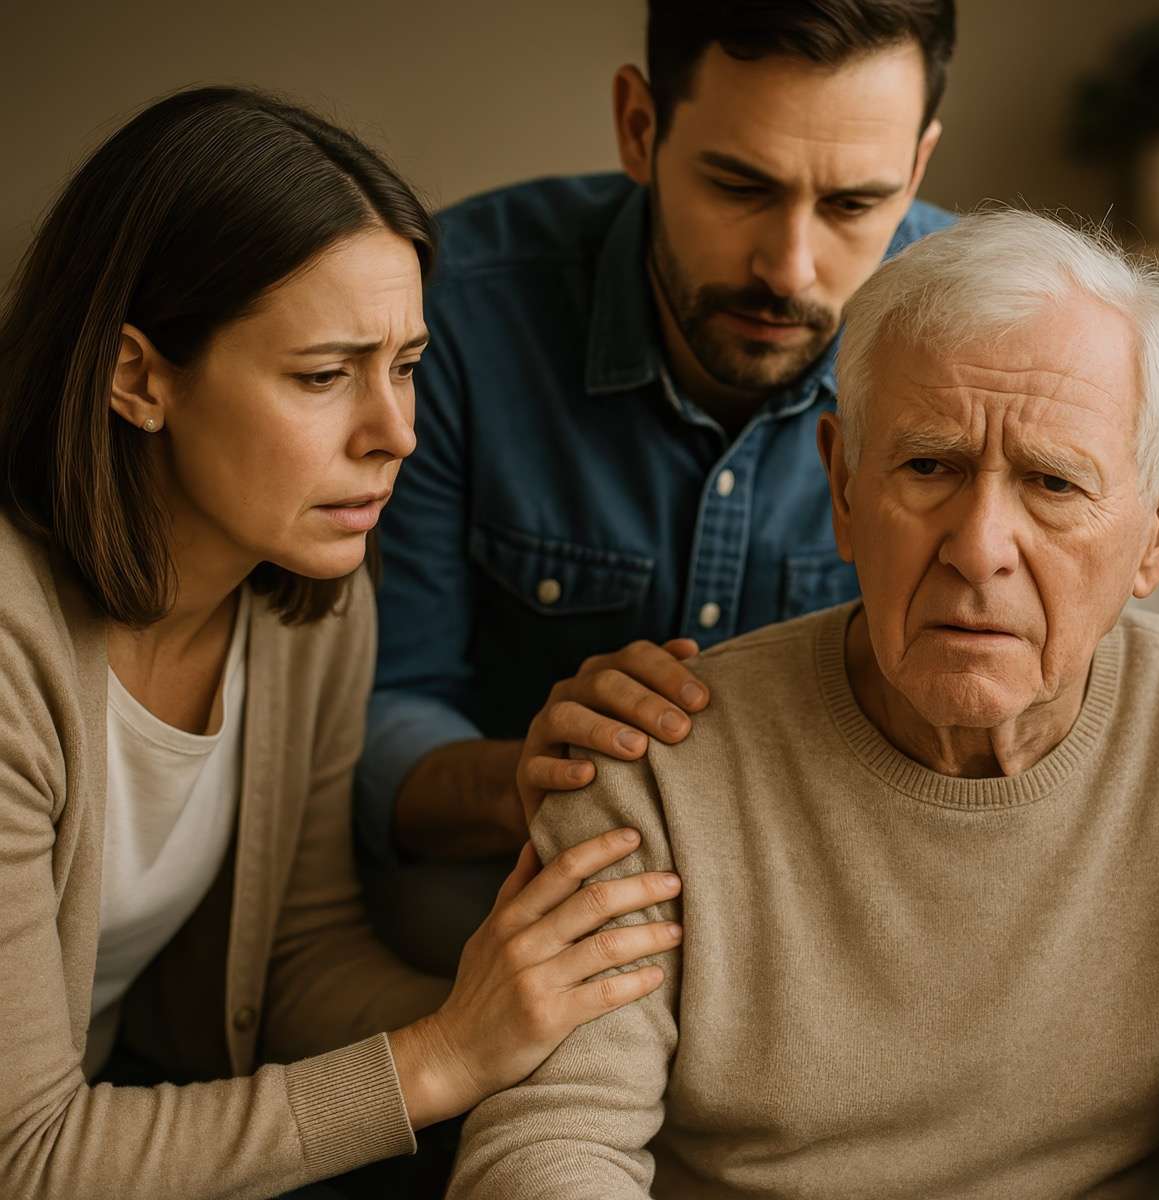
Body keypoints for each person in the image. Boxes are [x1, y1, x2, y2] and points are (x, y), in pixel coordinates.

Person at [447, 210, 1159, 1198]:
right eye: (928, 466)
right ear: (843, 486)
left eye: (1053, 483)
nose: (979, 546)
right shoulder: (655, 754)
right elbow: (546, 1148)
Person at [0, 88, 682, 1199]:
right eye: (323, 376)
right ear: (138, 377)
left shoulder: (299, 608)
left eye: (406, 364)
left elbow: (296, 963)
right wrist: (446, 1053)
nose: (395, 433)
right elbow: (23, 1155)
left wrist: (560, 1019)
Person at [356, 1, 958, 956]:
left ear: (918, 168)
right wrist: (525, 776)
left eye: (854, 205)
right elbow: (376, 716)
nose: (789, 268)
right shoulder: (453, 316)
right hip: (536, 885)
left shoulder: (988, 340)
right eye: (739, 186)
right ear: (640, 128)